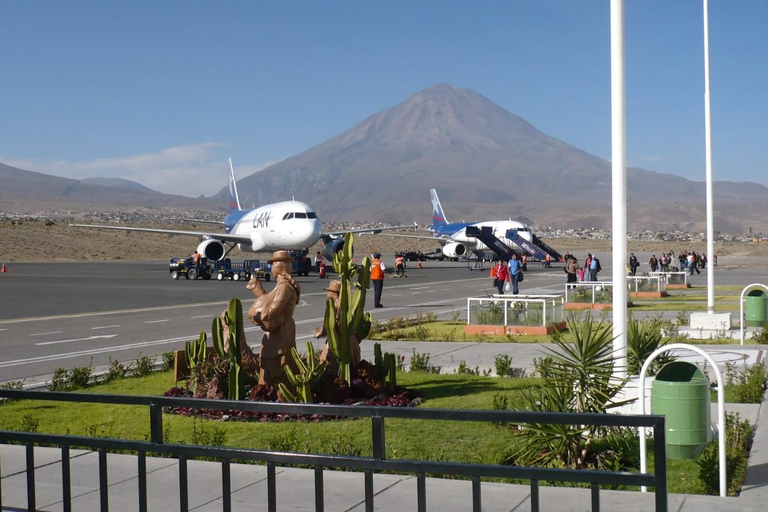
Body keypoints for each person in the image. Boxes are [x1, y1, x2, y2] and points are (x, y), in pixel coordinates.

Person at [246, 250, 301, 389]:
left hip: (281, 330)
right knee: (269, 360)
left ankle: (279, 393)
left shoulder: (284, 287)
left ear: (279, 266)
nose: (271, 268)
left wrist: (261, 315)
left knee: (278, 362)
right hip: (277, 329)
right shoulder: (281, 286)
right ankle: (266, 391)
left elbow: (275, 308)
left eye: (273, 265)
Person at [316, 280, 361, 371]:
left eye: (329, 291)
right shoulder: (349, 305)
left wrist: (320, 333)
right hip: (351, 340)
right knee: (352, 366)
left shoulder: (334, 306)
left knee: (326, 361)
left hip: (337, 341)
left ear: (334, 294)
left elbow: (330, 325)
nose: (328, 294)